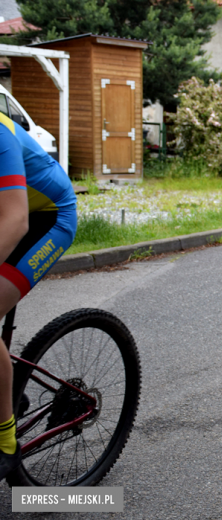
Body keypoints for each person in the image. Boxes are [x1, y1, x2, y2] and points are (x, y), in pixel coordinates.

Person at [0, 112, 77, 480]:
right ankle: (8, 393)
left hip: (48, 217)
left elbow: (15, 221)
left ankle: (4, 443)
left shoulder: (0, 133)